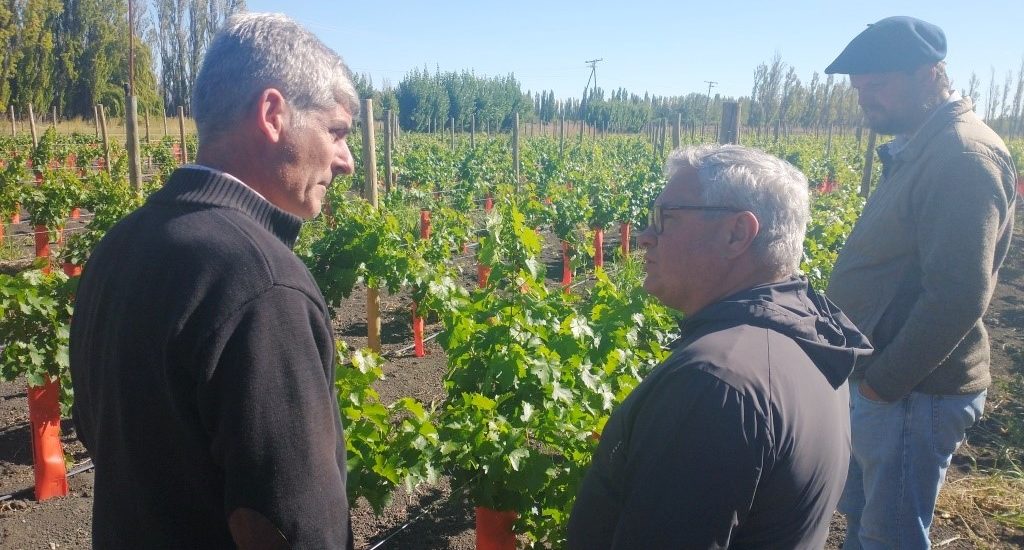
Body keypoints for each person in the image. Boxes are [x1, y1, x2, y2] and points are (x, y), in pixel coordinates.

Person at [70, 13, 357, 549]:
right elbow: (296, 527)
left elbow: (95, 430)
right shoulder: (261, 285)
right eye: (336, 131)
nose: (346, 161)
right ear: (272, 114)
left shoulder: (118, 246)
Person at [567, 145, 872, 548]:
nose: (644, 237)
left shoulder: (716, 384)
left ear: (737, 234)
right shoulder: (806, 341)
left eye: (665, 219)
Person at [824, 16, 1017, 550]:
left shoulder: (961, 157)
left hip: (913, 391)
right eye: (860, 90)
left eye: (878, 86)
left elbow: (957, 294)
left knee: (891, 537)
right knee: (866, 524)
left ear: (931, 74)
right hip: (889, 382)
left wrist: (885, 383)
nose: (866, 100)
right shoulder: (922, 145)